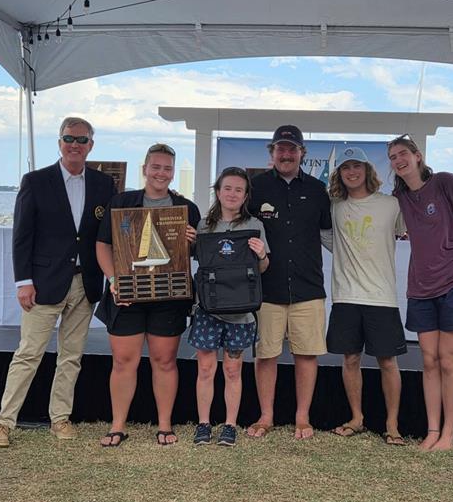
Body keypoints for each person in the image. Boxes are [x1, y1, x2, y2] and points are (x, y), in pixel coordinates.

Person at [0, 117, 116, 448]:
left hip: (85, 284)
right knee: (28, 354)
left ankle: (60, 419)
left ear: (91, 145)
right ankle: (3, 423)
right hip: (43, 284)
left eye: (82, 140)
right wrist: (23, 281)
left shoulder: (104, 184)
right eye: (69, 138)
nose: (75, 145)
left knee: (71, 356)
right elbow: (21, 236)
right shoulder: (35, 181)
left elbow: (113, 232)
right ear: (59, 142)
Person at [388, 134, 453, 451]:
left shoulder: (445, 182)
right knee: (429, 360)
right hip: (420, 287)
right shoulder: (400, 195)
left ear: (417, 155)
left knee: (449, 360)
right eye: (392, 157)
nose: (398, 160)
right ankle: (432, 431)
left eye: (403, 153)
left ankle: (449, 433)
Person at [95, 143, 200, 447]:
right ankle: (117, 425)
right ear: (145, 169)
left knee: (164, 361)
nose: (161, 173)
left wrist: (194, 241)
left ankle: (164, 425)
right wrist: (113, 280)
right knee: (123, 361)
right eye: (156, 167)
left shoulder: (187, 208)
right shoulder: (121, 202)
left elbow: (195, 254)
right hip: (127, 294)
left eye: (167, 168)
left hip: (169, 297)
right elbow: (103, 245)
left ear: (173, 172)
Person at [247, 125, 332, 440]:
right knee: (265, 354)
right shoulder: (255, 188)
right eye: (280, 148)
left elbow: (329, 235)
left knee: (306, 355)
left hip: (308, 288)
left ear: (302, 153)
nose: (286, 154)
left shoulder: (318, 190)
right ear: (271, 152)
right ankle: (266, 416)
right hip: (267, 289)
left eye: (292, 149)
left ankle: (302, 418)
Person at [325, 147, 408, 445]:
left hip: (381, 296)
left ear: (367, 170)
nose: (352, 172)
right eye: (346, 167)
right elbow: (325, 236)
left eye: (357, 166)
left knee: (388, 361)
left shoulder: (391, 204)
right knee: (350, 359)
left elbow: (417, 229)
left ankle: (392, 425)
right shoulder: (334, 207)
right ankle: (356, 418)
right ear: (340, 174)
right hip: (346, 295)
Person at [190, 167, 270, 447]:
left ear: (246, 195)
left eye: (239, 190)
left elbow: (262, 268)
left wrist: (262, 254)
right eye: (227, 188)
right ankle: (203, 423)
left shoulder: (255, 225)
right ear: (218, 191)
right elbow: (195, 260)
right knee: (205, 368)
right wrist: (188, 242)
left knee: (233, 370)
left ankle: (230, 425)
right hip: (208, 308)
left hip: (241, 310)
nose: (232, 194)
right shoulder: (203, 226)